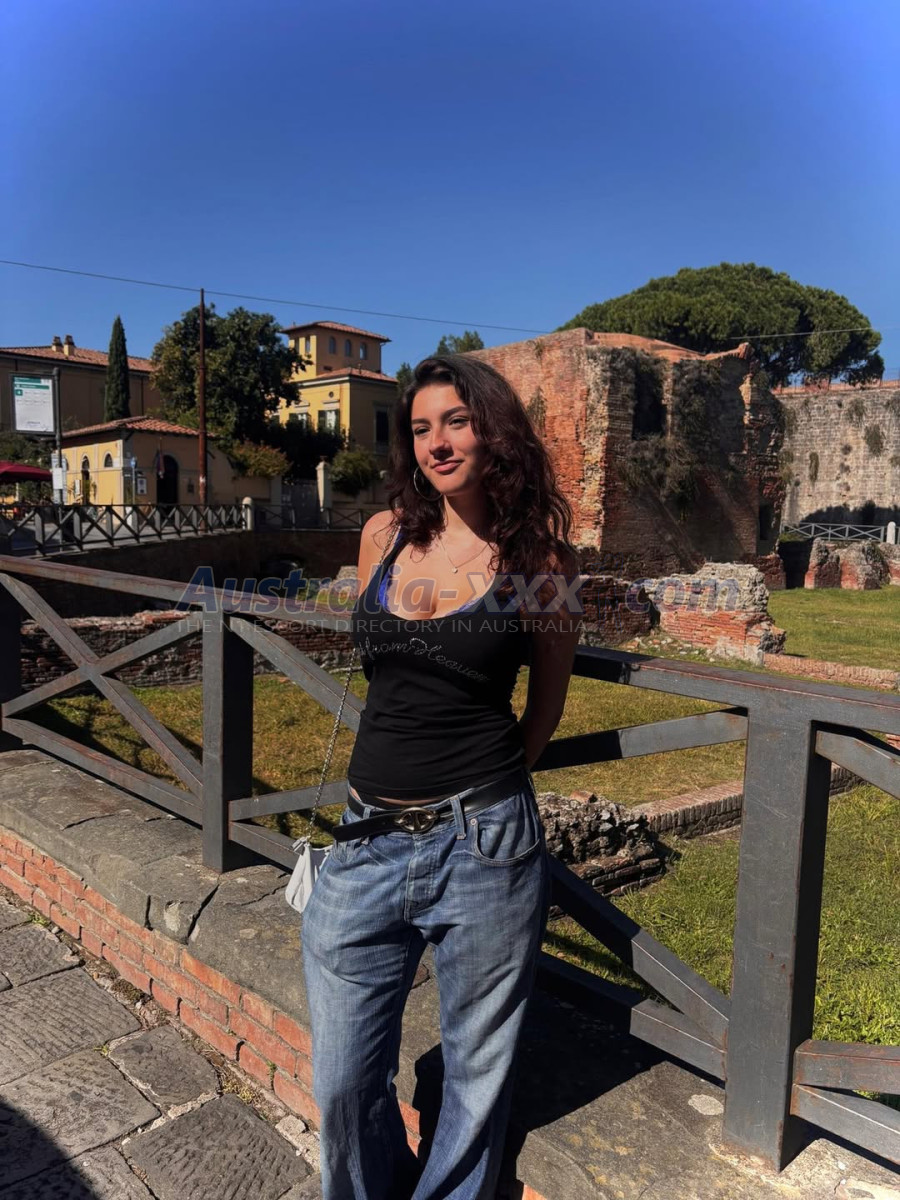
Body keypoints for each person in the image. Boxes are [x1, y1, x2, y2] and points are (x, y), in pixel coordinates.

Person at [300, 353, 585, 1200]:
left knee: (475, 1076)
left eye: (456, 421)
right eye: (421, 428)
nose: (437, 443)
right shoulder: (382, 537)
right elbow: (384, 672)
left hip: (484, 843)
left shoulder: (544, 561)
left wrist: (480, 793)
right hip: (365, 837)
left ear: (494, 431)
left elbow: (546, 709)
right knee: (343, 1079)